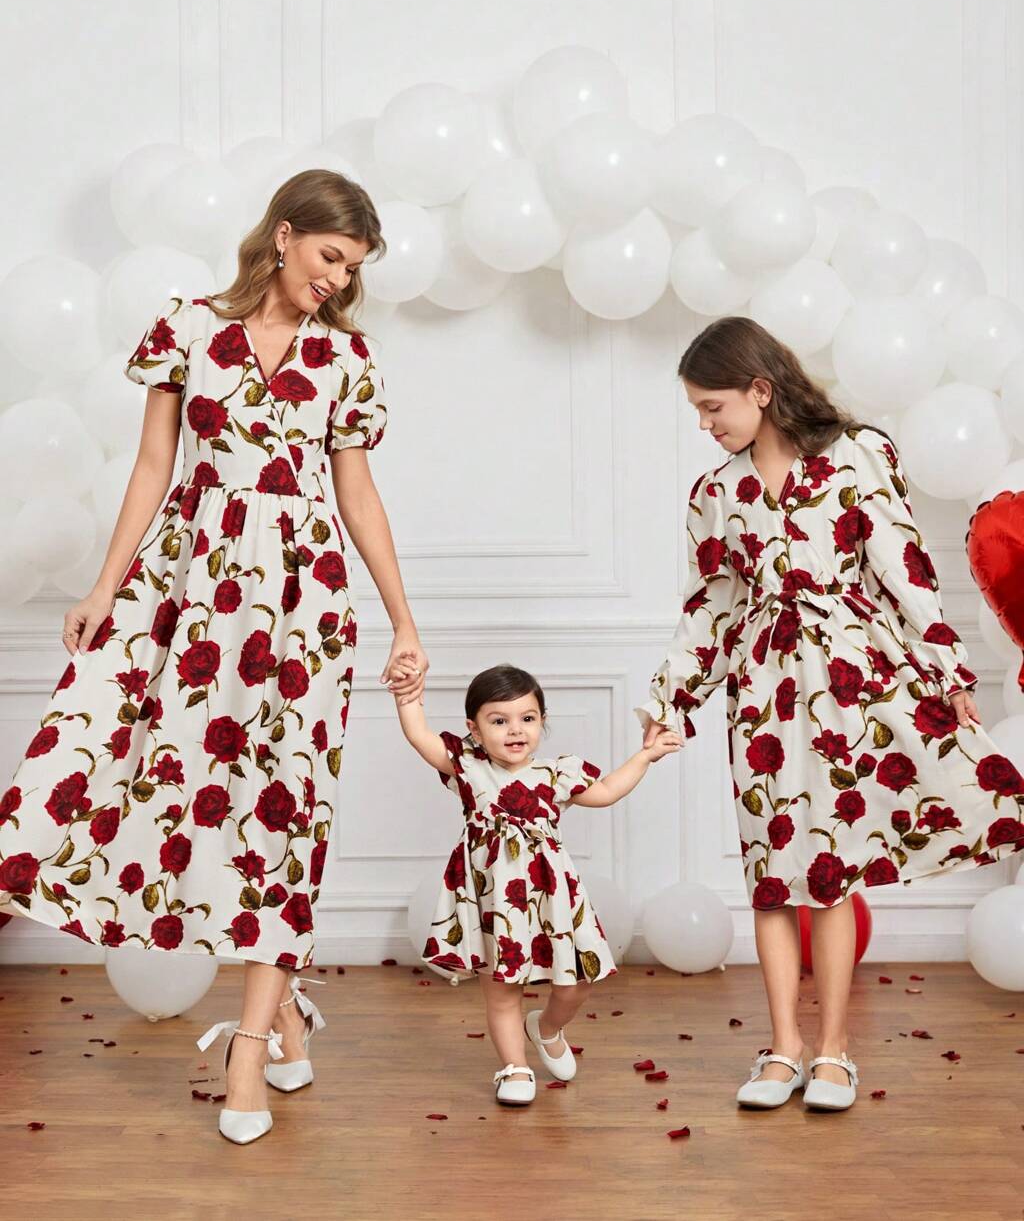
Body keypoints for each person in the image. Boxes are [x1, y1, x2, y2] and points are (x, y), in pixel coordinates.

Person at [0, 169, 429, 1144]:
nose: (337, 279)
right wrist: (104, 586)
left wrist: (403, 620)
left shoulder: (346, 357)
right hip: (188, 594)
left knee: (283, 809)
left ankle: (250, 1045)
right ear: (284, 235)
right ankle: (285, 1011)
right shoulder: (186, 329)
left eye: (352, 268)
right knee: (141, 773)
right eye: (330, 256)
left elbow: (357, 496)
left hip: (303, 606)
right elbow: (155, 467)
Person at [637, 315, 1024, 1112]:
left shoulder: (858, 454)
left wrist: (948, 666)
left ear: (759, 389)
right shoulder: (715, 494)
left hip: (853, 680)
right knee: (772, 874)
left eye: (712, 407)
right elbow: (710, 607)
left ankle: (833, 1051)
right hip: (763, 695)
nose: (704, 425)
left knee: (831, 870)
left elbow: (905, 569)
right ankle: (783, 1048)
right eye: (697, 411)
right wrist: (670, 698)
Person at [392, 660, 681, 1105]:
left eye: (527, 718)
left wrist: (645, 756)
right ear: (474, 729)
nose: (515, 730)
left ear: (542, 721)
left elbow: (607, 791)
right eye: (499, 721)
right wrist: (407, 690)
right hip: (493, 899)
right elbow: (417, 734)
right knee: (502, 988)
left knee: (576, 982)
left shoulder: (556, 774)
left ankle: (546, 1028)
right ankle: (514, 1066)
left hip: (550, 894)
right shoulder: (468, 766)